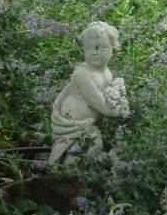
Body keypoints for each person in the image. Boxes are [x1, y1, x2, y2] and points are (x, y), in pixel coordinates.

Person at [50, 21, 129, 166]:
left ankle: (76, 176)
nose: (93, 52)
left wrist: (119, 92)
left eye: (100, 47)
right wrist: (122, 109)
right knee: (78, 149)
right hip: (72, 122)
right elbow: (103, 106)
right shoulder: (82, 74)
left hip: (88, 123)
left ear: (113, 48)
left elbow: (110, 95)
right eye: (88, 48)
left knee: (90, 148)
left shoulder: (106, 72)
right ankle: (64, 176)